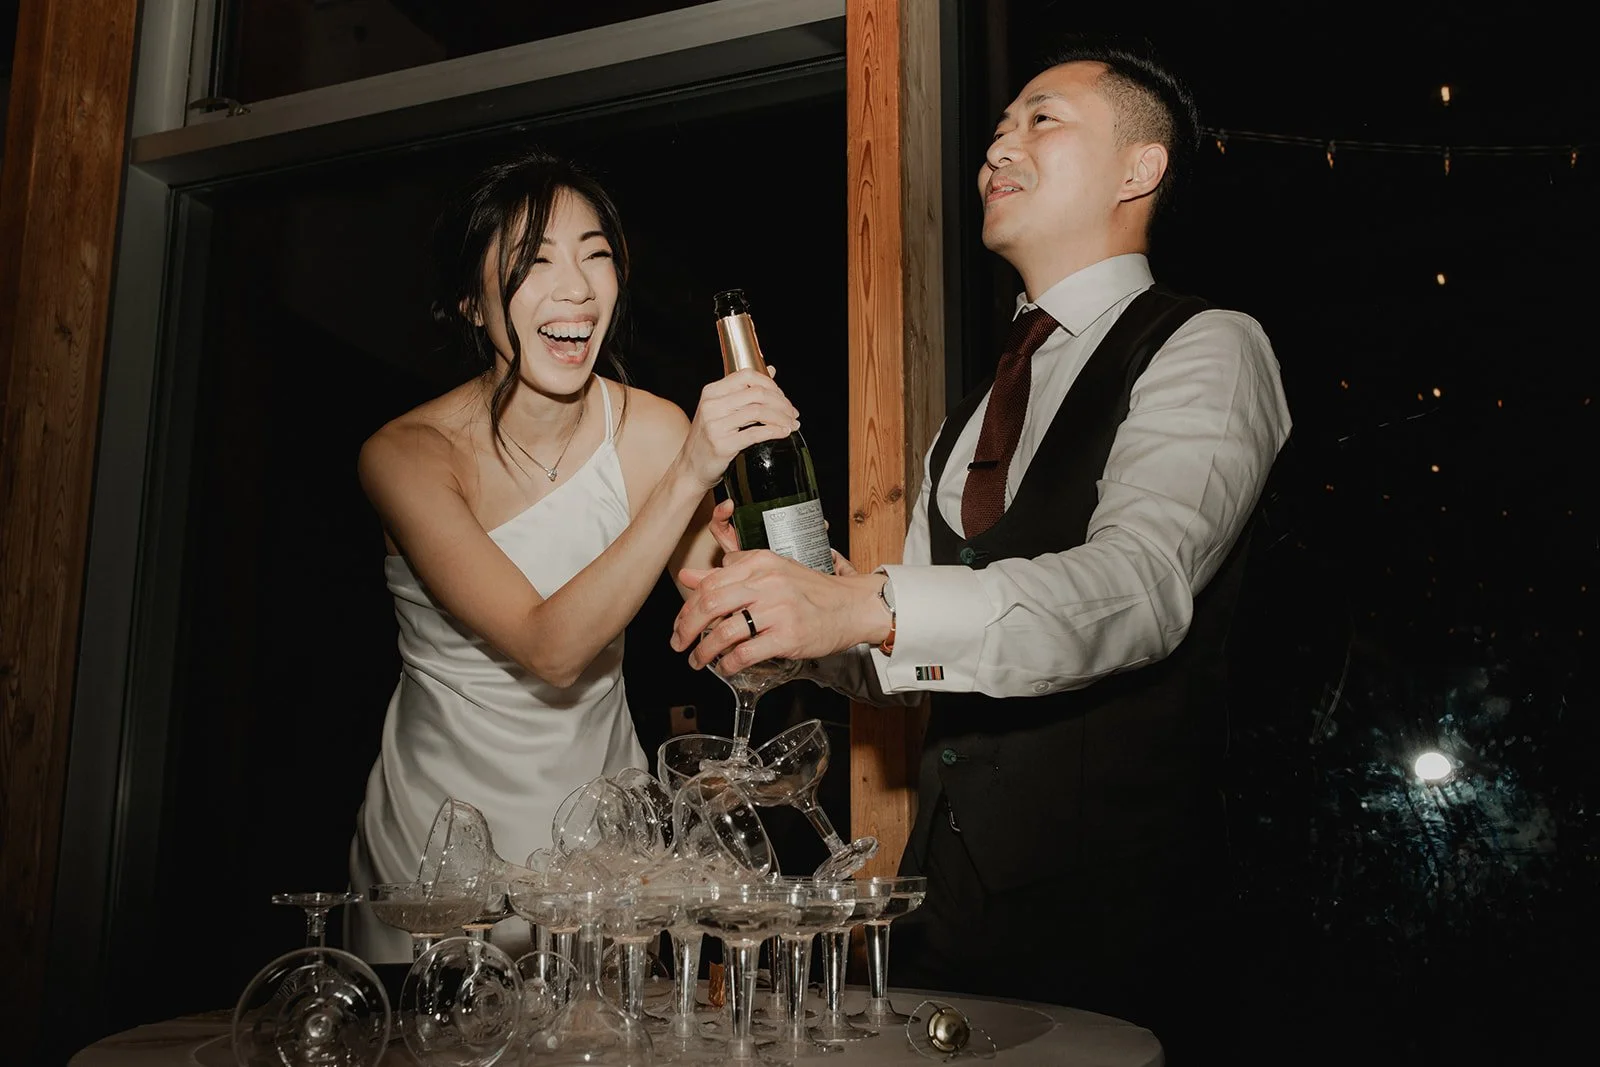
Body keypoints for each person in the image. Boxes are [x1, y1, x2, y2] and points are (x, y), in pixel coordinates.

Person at [669, 34, 1291, 1062]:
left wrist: (862, 601)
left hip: (1122, 919)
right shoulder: (970, 413)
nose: (997, 144)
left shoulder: (1207, 343)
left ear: (1141, 170)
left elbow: (1138, 589)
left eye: (1041, 118)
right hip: (947, 910)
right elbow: (903, 663)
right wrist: (786, 620)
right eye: (997, 127)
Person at [345, 148, 801, 963]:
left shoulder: (653, 428)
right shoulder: (407, 454)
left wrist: (767, 581)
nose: (577, 288)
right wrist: (692, 471)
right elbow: (549, 647)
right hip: (436, 851)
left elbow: (730, 620)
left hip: (603, 848)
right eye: (533, 261)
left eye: (596, 255)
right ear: (469, 303)